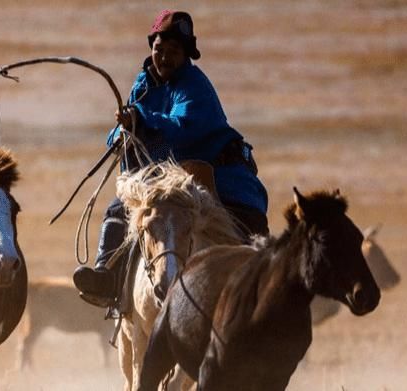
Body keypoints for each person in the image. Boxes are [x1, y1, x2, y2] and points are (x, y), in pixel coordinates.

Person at [73, 9, 269, 306]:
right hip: (171, 177)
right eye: (158, 49)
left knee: (246, 236)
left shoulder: (195, 85)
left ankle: (261, 292)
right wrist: (121, 134)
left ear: (186, 54)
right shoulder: (144, 84)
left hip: (220, 175)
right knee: (119, 208)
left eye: (173, 51)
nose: (164, 57)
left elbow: (184, 128)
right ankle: (106, 278)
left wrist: (141, 117)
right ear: (151, 48)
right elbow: (120, 131)